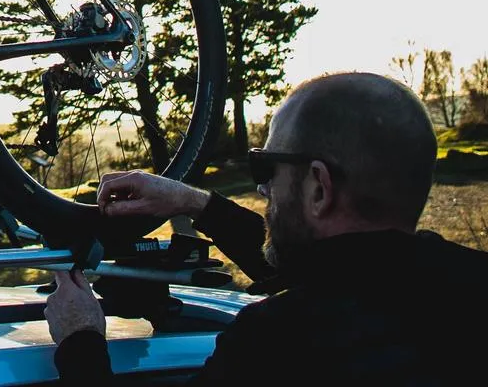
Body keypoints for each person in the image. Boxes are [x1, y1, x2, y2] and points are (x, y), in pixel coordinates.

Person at [44, 71, 488, 386]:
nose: (262, 187)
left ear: (319, 187)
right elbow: (343, 278)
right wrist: (195, 202)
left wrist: (81, 342)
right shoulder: (466, 286)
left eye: (268, 167)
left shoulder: (276, 344)